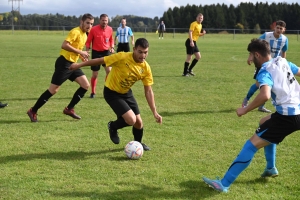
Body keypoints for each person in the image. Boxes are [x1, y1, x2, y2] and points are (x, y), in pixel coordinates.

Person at [203, 38, 300, 193]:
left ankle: (224, 184)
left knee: (251, 145)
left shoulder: (265, 71)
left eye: (250, 55)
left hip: (287, 117)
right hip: (297, 111)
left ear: (257, 55)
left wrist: (245, 109)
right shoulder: (282, 61)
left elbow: (265, 95)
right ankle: (270, 168)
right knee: (264, 121)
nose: (250, 59)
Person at [69, 38, 162, 151]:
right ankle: (112, 126)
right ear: (134, 50)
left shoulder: (146, 68)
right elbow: (100, 60)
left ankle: (137, 145)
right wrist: (79, 65)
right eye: (140, 52)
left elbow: (148, 91)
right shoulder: (122, 57)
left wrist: (155, 112)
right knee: (131, 120)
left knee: (138, 123)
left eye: (145, 52)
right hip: (111, 92)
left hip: (126, 92)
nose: (143, 55)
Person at [27, 13, 94, 122]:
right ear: (81, 22)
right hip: (64, 64)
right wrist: (81, 51)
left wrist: (82, 56)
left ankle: (69, 109)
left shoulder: (85, 34)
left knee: (85, 85)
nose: (89, 26)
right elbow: (64, 45)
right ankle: (33, 111)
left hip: (73, 64)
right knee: (53, 90)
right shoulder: (75, 31)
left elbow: (75, 48)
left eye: (91, 24)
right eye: (87, 23)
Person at [242, 20, 288, 113]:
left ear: (284, 30)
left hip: (275, 66)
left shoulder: (284, 40)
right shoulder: (266, 36)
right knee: (258, 84)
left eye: (281, 28)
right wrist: (250, 56)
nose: (278, 30)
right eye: (277, 27)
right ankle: (246, 99)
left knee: (270, 85)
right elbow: (254, 45)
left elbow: (284, 52)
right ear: (274, 28)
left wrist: (283, 64)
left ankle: (261, 106)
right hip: (262, 64)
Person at [86, 14, 114, 98]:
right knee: (95, 74)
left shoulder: (110, 29)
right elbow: (88, 41)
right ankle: (93, 92)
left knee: (109, 72)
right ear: (100, 21)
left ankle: (107, 91)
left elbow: (111, 40)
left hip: (106, 52)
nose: (104, 22)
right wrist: (86, 51)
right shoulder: (93, 29)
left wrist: (112, 47)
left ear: (107, 21)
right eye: (103, 20)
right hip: (96, 53)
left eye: (106, 20)